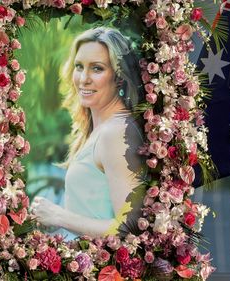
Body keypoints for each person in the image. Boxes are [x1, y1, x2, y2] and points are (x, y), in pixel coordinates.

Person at [30, 27, 145, 239]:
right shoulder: (101, 129)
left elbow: (128, 229)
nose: (83, 79)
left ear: (119, 77)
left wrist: (59, 216)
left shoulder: (116, 133)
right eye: (79, 66)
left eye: (97, 69)